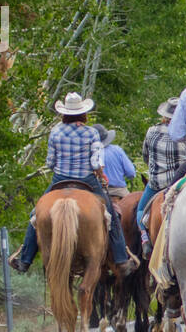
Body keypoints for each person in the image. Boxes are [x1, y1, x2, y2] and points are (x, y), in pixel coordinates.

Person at [9, 92, 135, 276]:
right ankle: (121, 259)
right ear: (83, 113)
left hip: (60, 180)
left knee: (35, 214)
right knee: (112, 215)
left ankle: (25, 260)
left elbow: (50, 163)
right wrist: (101, 175)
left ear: (64, 113)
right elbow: (95, 163)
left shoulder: (56, 132)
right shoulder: (91, 133)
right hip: (87, 180)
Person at [137, 97, 186, 254]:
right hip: (179, 185)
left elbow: (146, 156)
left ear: (164, 115)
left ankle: (145, 239)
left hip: (156, 184)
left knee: (140, 211)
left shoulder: (151, 131)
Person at [96, 124, 136, 199]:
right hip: (119, 191)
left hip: (97, 192)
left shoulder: (89, 152)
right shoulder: (117, 150)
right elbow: (131, 173)